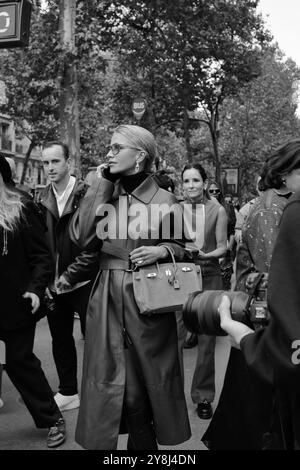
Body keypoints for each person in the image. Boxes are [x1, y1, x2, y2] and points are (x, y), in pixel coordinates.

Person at [70, 124, 191, 450]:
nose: (108, 153)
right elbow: (81, 238)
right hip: (107, 299)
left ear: (138, 156)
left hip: (148, 300)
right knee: (121, 388)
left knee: (142, 388)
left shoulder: (166, 200)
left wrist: (161, 250)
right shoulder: (104, 191)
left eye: (115, 147)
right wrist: (102, 183)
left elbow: (182, 248)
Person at [202, 138, 300, 449]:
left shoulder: (286, 205)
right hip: (269, 321)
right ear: (284, 174)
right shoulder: (274, 209)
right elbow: (279, 275)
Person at [0, 155, 66, 448]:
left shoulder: (22, 206)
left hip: (16, 302)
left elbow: (42, 257)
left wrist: (36, 289)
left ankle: (52, 418)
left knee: (18, 362)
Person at [39, 141, 99, 412]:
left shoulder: (88, 195)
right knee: (60, 339)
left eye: (55, 161)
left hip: (85, 282)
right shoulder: (41, 198)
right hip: (54, 286)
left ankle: (101, 393)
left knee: (98, 341)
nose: (50, 167)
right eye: (46, 162)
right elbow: (39, 246)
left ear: (68, 163)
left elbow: (94, 247)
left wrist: (66, 278)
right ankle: (68, 391)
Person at [181, 163, 227, 420]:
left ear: (205, 182)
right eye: (186, 181)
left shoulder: (217, 210)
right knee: (172, 338)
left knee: (206, 341)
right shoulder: (175, 209)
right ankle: (168, 397)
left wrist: (208, 255)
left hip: (209, 276)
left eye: (195, 180)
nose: (191, 186)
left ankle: (203, 397)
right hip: (180, 278)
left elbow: (222, 247)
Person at [207, 181, 236, 290]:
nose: (214, 193)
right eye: (211, 191)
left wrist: (229, 247)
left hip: (225, 251)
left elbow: (232, 230)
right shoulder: (203, 207)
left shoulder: (228, 207)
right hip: (209, 250)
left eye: (217, 190)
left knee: (224, 284)